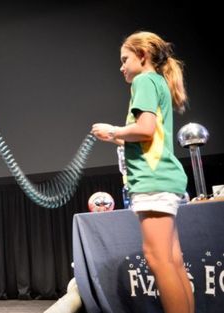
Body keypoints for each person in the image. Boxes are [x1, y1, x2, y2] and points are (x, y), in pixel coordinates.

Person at [91, 31, 194, 313]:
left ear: (143, 56)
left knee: (159, 259)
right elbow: (149, 136)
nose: (122, 66)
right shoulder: (157, 82)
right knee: (171, 260)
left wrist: (112, 129)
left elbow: (145, 129)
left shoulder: (144, 80)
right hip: (164, 178)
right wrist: (114, 136)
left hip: (153, 180)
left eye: (125, 59)